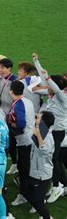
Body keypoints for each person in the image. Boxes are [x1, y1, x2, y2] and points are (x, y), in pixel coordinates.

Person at [34, 53, 67, 203]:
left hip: (59, 132)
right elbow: (44, 78)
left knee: (53, 158)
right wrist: (37, 62)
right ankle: (60, 184)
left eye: (50, 84)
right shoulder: (54, 94)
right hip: (52, 130)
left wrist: (48, 79)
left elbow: (54, 87)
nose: (47, 86)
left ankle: (56, 186)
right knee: (55, 158)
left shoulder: (62, 97)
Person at [9, 81, 36, 207]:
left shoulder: (18, 105)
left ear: (11, 91)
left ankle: (26, 196)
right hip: (31, 138)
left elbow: (20, 123)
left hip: (24, 141)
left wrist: (10, 124)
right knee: (25, 168)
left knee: (24, 169)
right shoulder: (27, 101)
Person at [25, 111, 55, 218]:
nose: (36, 118)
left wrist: (38, 136)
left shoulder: (48, 136)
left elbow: (44, 151)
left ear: (43, 122)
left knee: (36, 201)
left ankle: (47, 217)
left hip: (42, 174)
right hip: (34, 171)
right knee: (26, 192)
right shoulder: (40, 132)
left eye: (39, 117)